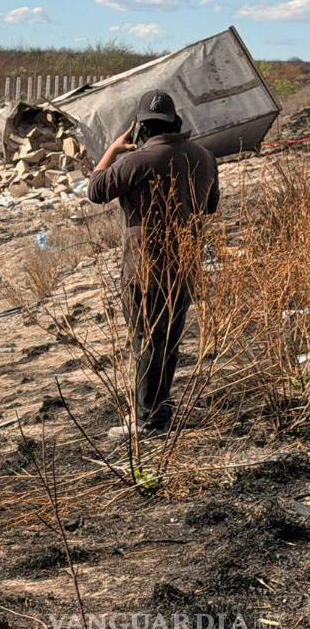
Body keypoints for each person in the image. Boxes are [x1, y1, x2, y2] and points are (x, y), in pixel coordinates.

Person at [87, 89, 219, 439]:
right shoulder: (205, 157)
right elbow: (210, 206)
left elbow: (95, 190)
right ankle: (160, 411)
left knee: (146, 341)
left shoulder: (136, 161)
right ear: (176, 122)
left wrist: (113, 149)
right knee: (169, 341)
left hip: (144, 269)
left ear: (140, 128)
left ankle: (147, 421)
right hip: (185, 267)